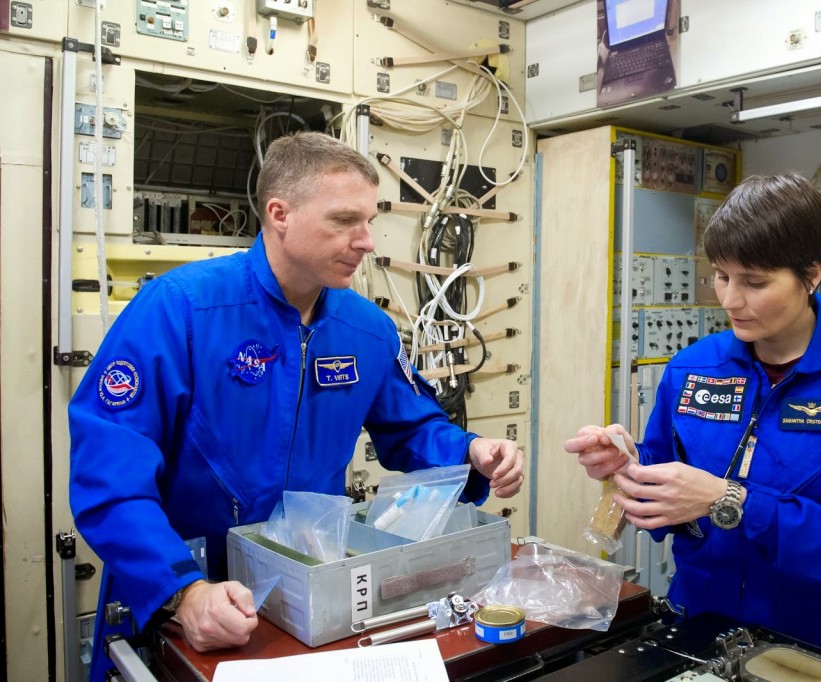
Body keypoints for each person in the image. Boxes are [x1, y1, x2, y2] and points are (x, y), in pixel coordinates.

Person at [69, 131, 524, 680]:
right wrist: (182, 591)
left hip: (310, 590)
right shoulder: (182, 310)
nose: (367, 241)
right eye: (343, 221)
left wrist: (472, 450)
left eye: (370, 220)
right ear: (279, 214)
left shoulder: (367, 329)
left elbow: (412, 427)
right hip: (186, 598)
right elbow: (109, 475)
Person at [564, 173, 821, 664]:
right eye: (721, 275)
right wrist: (625, 466)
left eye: (755, 282)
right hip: (697, 626)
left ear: (812, 274)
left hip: (814, 644)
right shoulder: (693, 368)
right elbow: (661, 483)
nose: (730, 300)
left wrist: (731, 501)